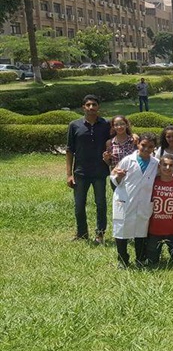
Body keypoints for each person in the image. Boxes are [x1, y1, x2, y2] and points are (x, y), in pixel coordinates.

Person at [110, 133, 160, 268]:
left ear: (154, 148)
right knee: (121, 230)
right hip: (125, 200)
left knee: (141, 231)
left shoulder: (156, 163)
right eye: (143, 145)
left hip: (144, 202)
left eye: (150, 147)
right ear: (138, 144)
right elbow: (113, 177)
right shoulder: (127, 160)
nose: (146, 149)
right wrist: (119, 176)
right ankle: (122, 259)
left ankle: (140, 258)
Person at [66, 94, 111, 244]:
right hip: (80, 172)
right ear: (83, 107)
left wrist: (134, 135)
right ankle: (82, 233)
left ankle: (100, 234)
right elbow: (69, 151)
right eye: (88, 105)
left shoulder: (106, 124)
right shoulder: (74, 125)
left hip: (99, 172)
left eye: (94, 105)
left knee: (101, 204)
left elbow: (122, 132)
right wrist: (69, 174)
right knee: (79, 205)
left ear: (98, 107)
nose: (91, 107)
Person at [146, 154, 173, 266]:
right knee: (151, 262)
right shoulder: (152, 181)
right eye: (165, 165)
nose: (167, 168)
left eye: (171, 165)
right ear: (159, 166)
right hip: (154, 229)